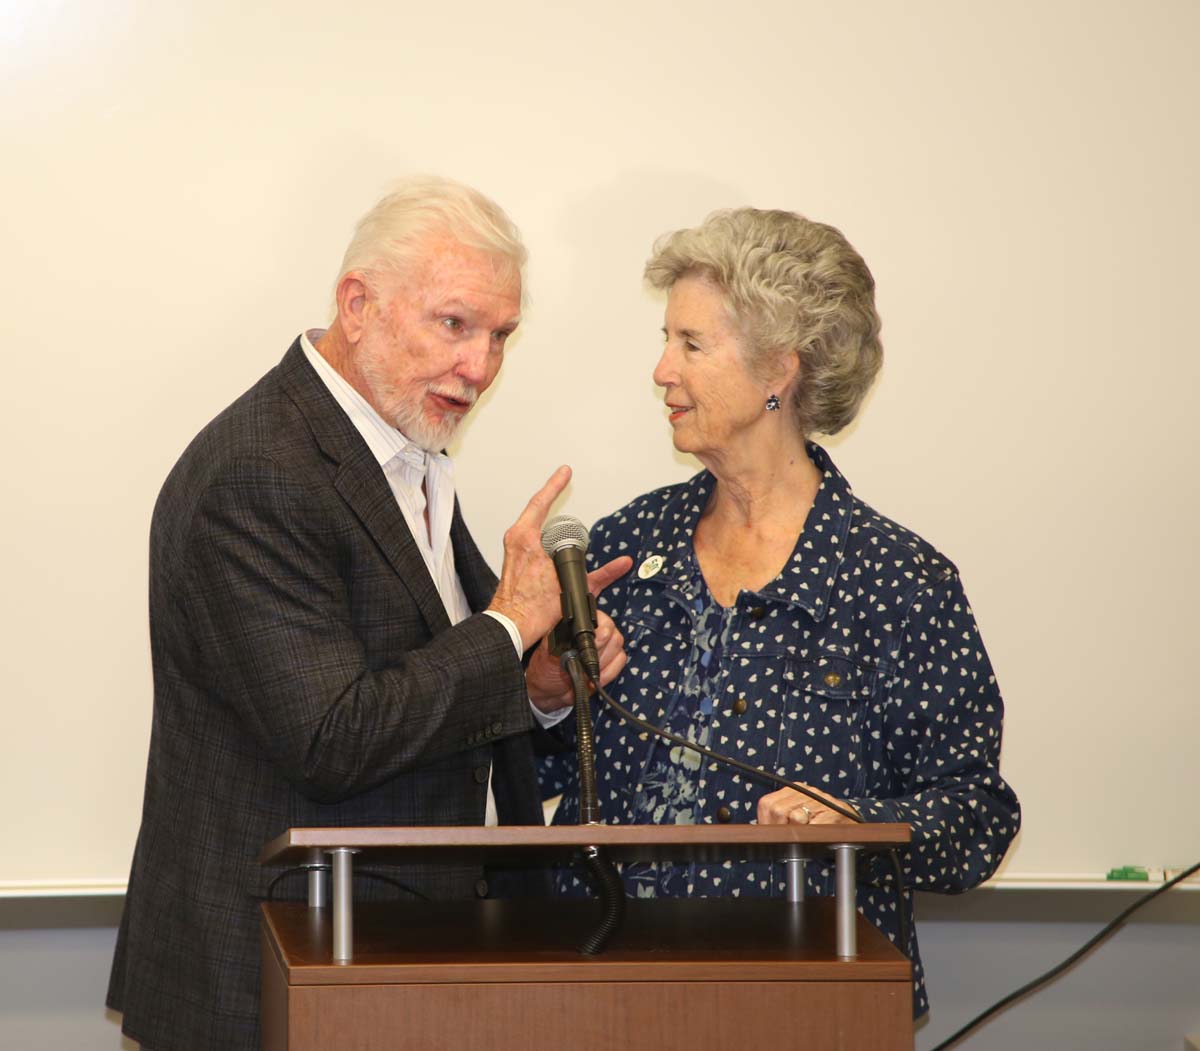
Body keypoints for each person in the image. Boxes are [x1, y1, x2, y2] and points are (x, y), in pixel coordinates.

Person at [107, 176, 630, 1051]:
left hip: (388, 963)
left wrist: (536, 683)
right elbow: (333, 735)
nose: (481, 366)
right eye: (455, 324)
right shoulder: (260, 472)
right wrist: (507, 625)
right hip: (273, 976)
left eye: (500, 335)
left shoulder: (401, 446)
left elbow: (434, 684)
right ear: (358, 305)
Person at [540, 207, 1020, 1016]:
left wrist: (857, 818)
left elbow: (975, 818)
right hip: (601, 992)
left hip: (807, 999)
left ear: (779, 371)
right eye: (666, 339)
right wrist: (543, 693)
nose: (662, 369)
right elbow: (533, 774)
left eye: (691, 344)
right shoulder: (622, 547)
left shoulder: (897, 581)